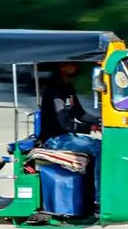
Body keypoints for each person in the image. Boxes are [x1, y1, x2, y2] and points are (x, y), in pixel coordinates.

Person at [39, 62, 102, 208]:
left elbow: (80, 114)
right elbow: (65, 123)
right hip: (54, 139)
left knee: (101, 145)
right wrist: (90, 127)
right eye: (71, 64)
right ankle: (99, 200)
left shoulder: (68, 88)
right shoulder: (54, 90)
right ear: (61, 67)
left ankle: (92, 191)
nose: (75, 67)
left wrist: (101, 120)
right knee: (98, 149)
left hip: (66, 136)